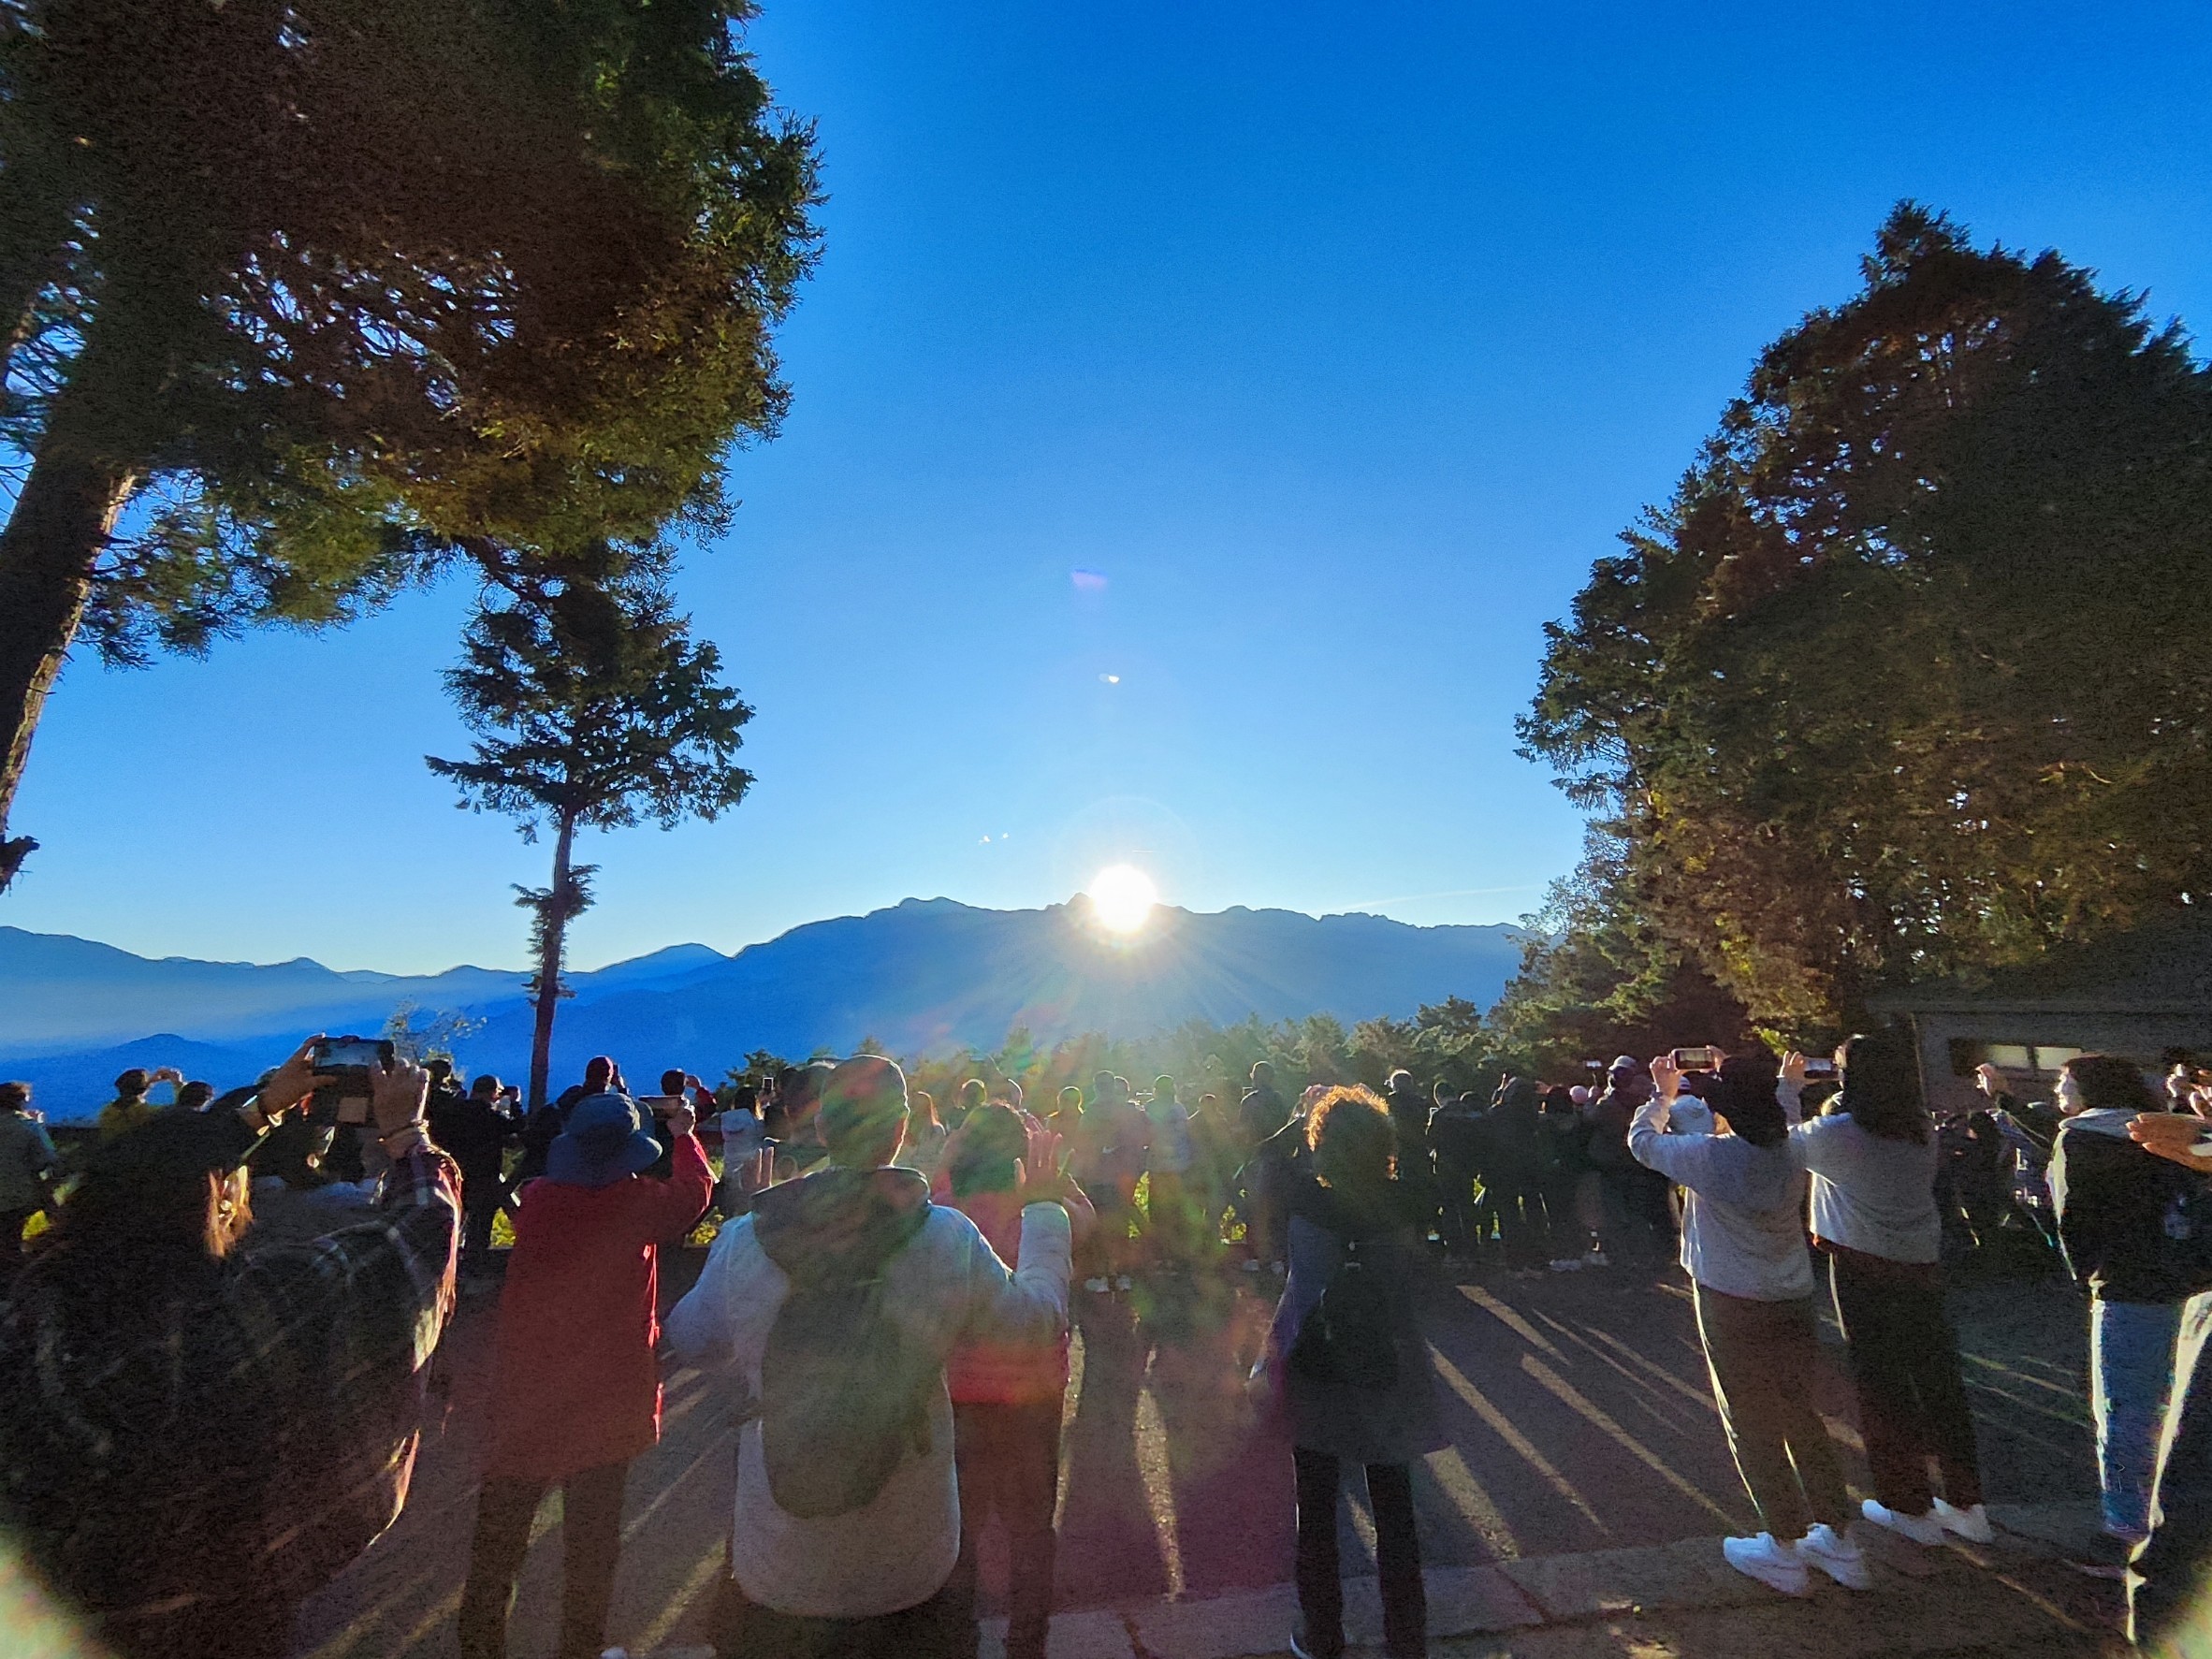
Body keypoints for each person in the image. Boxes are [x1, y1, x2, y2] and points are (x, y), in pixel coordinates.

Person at [0, 1040, 460, 1658]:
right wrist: (407, 1132)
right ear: (217, 1199)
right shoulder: (251, 1316)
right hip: (223, 1624)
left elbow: (151, 1175)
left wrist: (262, 1109)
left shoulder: (33, 1316)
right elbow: (419, 1235)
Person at [664, 1055, 1075, 1659]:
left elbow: (692, 1339)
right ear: (901, 1129)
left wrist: (740, 1226)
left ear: (821, 1129)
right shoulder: (946, 1238)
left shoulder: (748, 1240)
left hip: (778, 1568)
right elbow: (1036, 1323)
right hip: (912, 1567)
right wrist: (1043, 1209)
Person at [458, 1086, 713, 1659]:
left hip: (527, 1390)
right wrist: (685, 1133)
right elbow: (696, 1193)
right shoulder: (641, 1204)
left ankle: (479, 1643)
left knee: (499, 1537)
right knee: (592, 1544)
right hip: (608, 1395)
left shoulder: (542, 1200)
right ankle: (580, 1646)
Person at [1633, 1053, 1864, 1596]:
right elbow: (1776, 1119)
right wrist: (1783, 1087)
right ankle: (1840, 1540)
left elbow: (1642, 1143)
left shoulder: (1708, 1157)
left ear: (1722, 1107)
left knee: (1752, 1420)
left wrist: (1662, 1094)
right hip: (1792, 1295)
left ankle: (1781, 1544)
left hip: (1729, 1297)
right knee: (1801, 1414)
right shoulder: (1795, 1148)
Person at [1251, 1084, 1442, 1659]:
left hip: (1321, 1366)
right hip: (1390, 1358)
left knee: (1318, 1510)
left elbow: (1300, 1289)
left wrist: (1268, 1358)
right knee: (1396, 1511)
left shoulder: (1309, 1203)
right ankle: (1406, 1637)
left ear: (1322, 1144)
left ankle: (1323, 1633)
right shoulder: (1407, 1198)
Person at [1783, 1036, 1990, 1549]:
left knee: (1883, 1386)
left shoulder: (1837, 1133)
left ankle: (1909, 1506)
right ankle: (1967, 1504)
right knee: (1939, 1383)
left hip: (1860, 1268)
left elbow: (1780, 1148)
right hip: (1922, 1265)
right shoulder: (1922, 1130)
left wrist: (1788, 1090)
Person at [2046, 1054, 2212, 1580]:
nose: (2058, 1091)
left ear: (2087, 1089)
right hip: (2193, 1286)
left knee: (2125, 1415)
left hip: (2126, 1288)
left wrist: (2086, 1277)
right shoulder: (2182, 1133)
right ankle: (2177, 1525)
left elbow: (2074, 1221)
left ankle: (2126, 1531)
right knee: (2184, 1413)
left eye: (2063, 1081)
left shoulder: (2079, 1137)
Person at [938, 1104, 1094, 1659]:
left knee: (960, 1530)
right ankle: (1028, 1642)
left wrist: (944, 1161)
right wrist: (1055, 1183)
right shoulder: (1040, 1212)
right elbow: (1089, 1221)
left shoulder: (944, 1213)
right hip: (1034, 1395)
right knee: (1031, 1527)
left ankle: (958, 1635)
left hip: (959, 1393)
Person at [429, 1073, 520, 1268]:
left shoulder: (453, 1111)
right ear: (492, 1093)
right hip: (484, 1177)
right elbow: (518, 1127)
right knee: (480, 1224)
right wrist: (515, 1103)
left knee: (453, 1220)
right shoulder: (491, 1116)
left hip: (455, 1174)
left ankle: (445, 1263)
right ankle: (473, 1266)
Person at [0, 1081, 57, 1279]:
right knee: (11, 1242)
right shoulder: (27, 1127)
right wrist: (38, 1124)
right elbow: (46, 1159)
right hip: (15, 1196)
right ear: (23, 1101)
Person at [1144, 1073, 1197, 1267]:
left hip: (1159, 1166)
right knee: (1177, 1211)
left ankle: (1161, 1253)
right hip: (1179, 1166)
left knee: (1158, 1212)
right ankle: (1179, 1255)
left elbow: (1145, 1133)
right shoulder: (1179, 1109)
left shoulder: (1151, 1107)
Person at [714, 1082, 771, 1217]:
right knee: (747, 1213)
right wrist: (766, 1104)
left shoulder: (725, 1120)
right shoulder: (754, 1123)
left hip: (729, 1173)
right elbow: (765, 1131)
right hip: (749, 1174)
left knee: (731, 1214)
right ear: (753, 1102)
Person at [95, 1065, 181, 1140]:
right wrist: (178, 1084)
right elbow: (183, 1108)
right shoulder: (151, 1113)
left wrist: (149, 1082)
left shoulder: (107, 1112)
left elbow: (132, 1095)